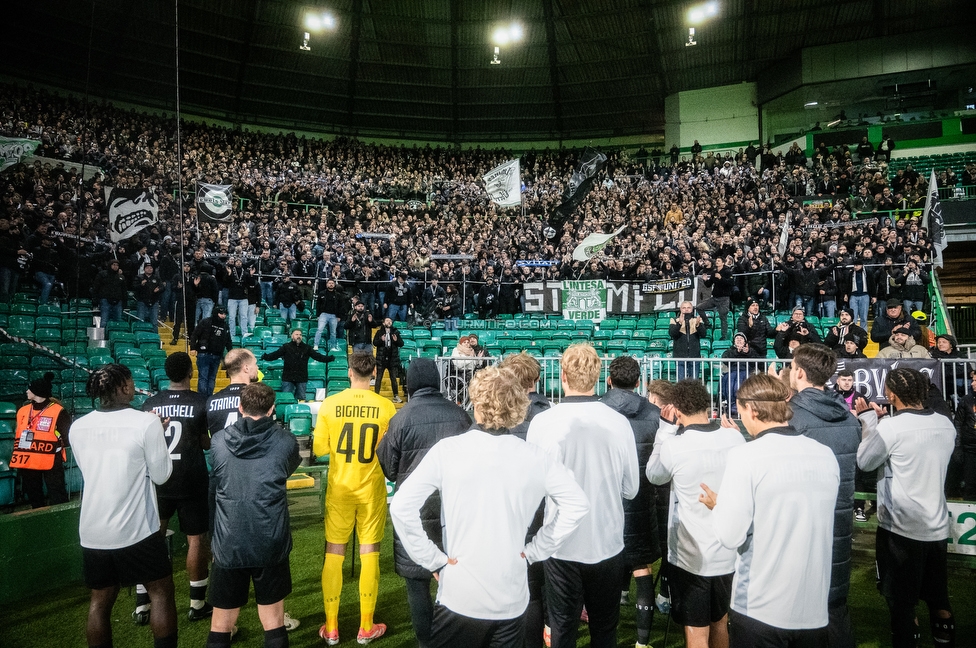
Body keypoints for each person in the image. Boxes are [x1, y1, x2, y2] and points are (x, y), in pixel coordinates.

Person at [389, 366, 589, 648]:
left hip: (463, 594)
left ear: (477, 402)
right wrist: (536, 550)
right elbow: (577, 504)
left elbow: (400, 506)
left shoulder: (449, 450)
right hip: (509, 594)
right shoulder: (534, 457)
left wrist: (432, 559)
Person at [700, 373, 840, 648]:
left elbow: (730, 536)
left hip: (761, 607)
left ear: (751, 409)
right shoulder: (825, 454)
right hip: (813, 609)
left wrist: (720, 507)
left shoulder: (746, 456)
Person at [526, 344, 640, 648]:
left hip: (562, 546)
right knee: (605, 631)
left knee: (563, 631)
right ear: (600, 377)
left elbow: (533, 487)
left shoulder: (542, 422)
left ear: (562, 375)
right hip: (606, 543)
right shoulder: (618, 423)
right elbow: (631, 488)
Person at [70, 364, 177, 648]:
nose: (133, 386)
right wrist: (158, 434)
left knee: (100, 601)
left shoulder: (78, 427)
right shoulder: (145, 422)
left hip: (93, 531)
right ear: (121, 387)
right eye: (130, 382)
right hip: (136, 529)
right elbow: (161, 475)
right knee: (161, 592)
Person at [855, 368, 956, 648]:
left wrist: (868, 421)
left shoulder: (892, 427)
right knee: (939, 598)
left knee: (902, 603)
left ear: (891, 394)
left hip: (900, 529)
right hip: (936, 528)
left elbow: (865, 461)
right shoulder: (945, 424)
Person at [376, 358, 472, 647]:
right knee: (458, 581)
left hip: (414, 511)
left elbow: (389, 467)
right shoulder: (460, 415)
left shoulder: (401, 418)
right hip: (453, 512)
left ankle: (426, 643)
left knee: (417, 585)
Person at [646, 379, 744, 648]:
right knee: (721, 622)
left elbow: (654, 475)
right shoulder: (734, 437)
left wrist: (664, 433)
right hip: (727, 550)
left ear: (676, 410)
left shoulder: (675, 446)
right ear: (707, 404)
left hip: (692, 556)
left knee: (696, 633)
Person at [205, 382, 300, 648]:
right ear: (271, 409)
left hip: (229, 539)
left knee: (221, 624)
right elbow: (284, 470)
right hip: (269, 538)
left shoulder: (219, 441)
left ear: (240, 407)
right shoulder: (286, 442)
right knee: (273, 621)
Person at [313, 352, 398, 645]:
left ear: (349, 372)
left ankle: (332, 627)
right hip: (371, 488)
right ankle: (365, 626)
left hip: (340, 488)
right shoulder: (386, 406)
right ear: (374, 372)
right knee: (370, 551)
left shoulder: (330, 404)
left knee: (334, 552)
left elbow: (320, 448)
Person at [784, 344, 862, 648]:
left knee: (802, 615)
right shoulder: (849, 416)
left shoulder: (790, 416)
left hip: (801, 529)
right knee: (834, 605)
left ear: (800, 372)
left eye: (792, 367)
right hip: (839, 523)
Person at [130, 352, 213, 626]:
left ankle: (143, 603)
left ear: (166, 373)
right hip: (191, 478)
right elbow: (205, 444)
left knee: (151, 539)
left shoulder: (150, 404)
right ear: (191, 371)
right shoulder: (201, 402)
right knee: (196, 540)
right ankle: (197, 603)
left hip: (158, 479)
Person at [599, 355, 661, 648]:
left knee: (602, 566)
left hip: (605, 497)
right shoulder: (653, 412)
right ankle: (642, 641)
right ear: (638, 382)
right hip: (642, 494)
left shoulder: (596, 411)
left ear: (609, 380)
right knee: (642, 565)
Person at [501, 352, 552, 648]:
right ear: (535, 379)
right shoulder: (549, 412)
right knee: (542, 585)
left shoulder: (500, 414)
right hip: (543, 507)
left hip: (513, 508)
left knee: (527, 587)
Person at [11, 371, 70, 508]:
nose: (27, 391)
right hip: (28, 460)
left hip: (51, 459)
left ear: (37, 392)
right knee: (34, 497)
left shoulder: (58, 411)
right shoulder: (23, 411)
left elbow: (67, 438)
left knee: (57, 495)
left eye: (30, 389)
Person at [261, 329, 334, 401]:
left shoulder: (307, 347)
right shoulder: (286, 347)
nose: (299, 336)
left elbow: (318, 356)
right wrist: (266, 357)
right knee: (286, 398)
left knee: (301, 399)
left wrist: (329, 358)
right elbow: (275, 355)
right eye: (296, 334)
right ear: (292, 336)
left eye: (300, 335)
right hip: (288, 377)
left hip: (301, 377)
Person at [190, 305, 233, 397]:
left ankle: (208, 398)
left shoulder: (225, 326)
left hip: (217, 356)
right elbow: (194, 335)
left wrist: (231, 353)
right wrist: (192, 348)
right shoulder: (205, 322)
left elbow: (228, 341)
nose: (223, 315)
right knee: (204, 378)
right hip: (204, 354)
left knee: (211, 378)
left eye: (225, 314)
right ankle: (202, 399)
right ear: (216, 313)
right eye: (221, 313)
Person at [952, 370, 976, 500]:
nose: (972, 384)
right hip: (970, 448)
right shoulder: (966, 400)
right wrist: (958, 446)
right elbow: (958, 424)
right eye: (972, 380)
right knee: (970, 483)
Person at [697, 257, 734, 339]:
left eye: (719, 261)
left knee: (723, 318)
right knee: (699, 308)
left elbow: (731, 283)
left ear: (723, 263)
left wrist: (721, 278)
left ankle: (724, 337)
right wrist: (705, 280)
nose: (717, 262)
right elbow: (708, 285)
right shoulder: (714, 272)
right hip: (715, 297)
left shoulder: (727, 272)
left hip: (724, 298)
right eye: (716, 260)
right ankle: (707, 323)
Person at [669, 301, 708, 380]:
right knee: (681, 383)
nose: (686, 310)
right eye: (684, 308)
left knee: (694, 384)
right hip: (679, 357)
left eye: (688, 308)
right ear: (680, 309)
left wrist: (698, 325)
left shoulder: (697, 320)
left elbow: (704, 334)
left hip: (694, 357)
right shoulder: (674, 320)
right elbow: (672, 334)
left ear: (692, 309)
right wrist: (679, 323)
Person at [373, 316, 405, 403]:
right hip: (381, 359)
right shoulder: (379, 332)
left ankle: (396, 396)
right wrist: (381, 340)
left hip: (392, 359)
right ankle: (376, 395)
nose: (389, 322)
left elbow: (401, 344)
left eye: (390, 321)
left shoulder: (395, 332)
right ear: (383, 323)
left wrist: (396, 340)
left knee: (393, 378)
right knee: (379, 378)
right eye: (387, 320)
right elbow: (375, 343)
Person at [314, 278, 347, 351]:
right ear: (326, 284)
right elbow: (318, 305)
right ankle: (316, 345)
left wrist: (339, 316)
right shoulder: (322, 293)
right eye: (329, 283)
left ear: (334, 284)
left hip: (334, 316)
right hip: (323, 314)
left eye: (332, 283)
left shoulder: (338, 295)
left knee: (333, 332)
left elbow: (341, 306)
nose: (331, 284)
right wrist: (318, 315)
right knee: (319, 329)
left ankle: (332, 347)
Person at [92, 259, 127, 324]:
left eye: (117, 265)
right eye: (114, 265)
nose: (115, 266)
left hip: (118, 301)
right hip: (105, 300)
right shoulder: (102, 274)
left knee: (118, 322)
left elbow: (124, 290)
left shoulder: (121, 277)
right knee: (104, 321)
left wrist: (124, 303)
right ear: (109, 265)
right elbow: (96, 287)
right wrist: (95, 300)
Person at [133, 262, 164, 327]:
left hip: (154, 301)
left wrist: (159, 289)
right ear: (144, 269)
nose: (149, 269)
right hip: (142, 302)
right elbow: (134, 287)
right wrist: (141, 285)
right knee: (140, 320)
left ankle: (155, 336)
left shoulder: (156, 278)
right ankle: (141, 335)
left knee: (154, 322)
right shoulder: (139, 277)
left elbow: (162, 287)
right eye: (147, 268)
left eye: (151, 268)